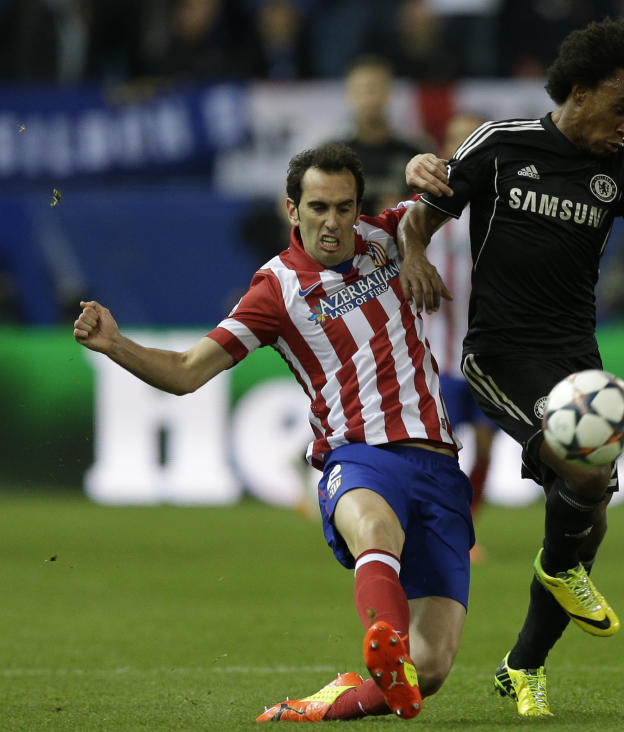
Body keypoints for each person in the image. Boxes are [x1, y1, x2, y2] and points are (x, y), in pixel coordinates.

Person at [396, 18, 624, 717]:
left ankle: (523, 665)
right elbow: (420, 215)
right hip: (498, 354)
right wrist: (414, 255)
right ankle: (562, 569)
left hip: (576, 360)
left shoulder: (622, 167)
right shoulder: (502, 145)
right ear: (577, 89)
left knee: (590, 513)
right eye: (621, 107)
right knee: (584, 480)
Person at [72, 143, 474, 723]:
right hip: (360, 456)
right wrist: (115, 344)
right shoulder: (276, 290)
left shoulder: (390, 238)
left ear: (360, 207)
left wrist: (423, 166)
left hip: (438, 465)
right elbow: (188, 372)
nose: (331, 222)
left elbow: (458, 185)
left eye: (343, 208)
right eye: (317, 208)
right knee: (376, 528)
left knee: (429, 670)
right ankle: (384, 636)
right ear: (292, 210)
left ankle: (331, 702)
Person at [421, 111, 497, 561]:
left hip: (489, 356)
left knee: (486, 446)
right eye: (454, 138)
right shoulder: (428, 206)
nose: (461, 146)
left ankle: (463, 527)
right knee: (440, 450)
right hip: (439, 354)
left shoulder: (502, 205)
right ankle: (442, 531)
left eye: (471, 138)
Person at [334, 55, 426, 216]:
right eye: (362, 90)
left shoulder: (415, 153)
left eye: (376, 88)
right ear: (349, 95)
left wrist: (407, 211)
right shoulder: (332, 155)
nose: (369, 97)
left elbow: (437, 208)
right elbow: (292, 201)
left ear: (389, 93)